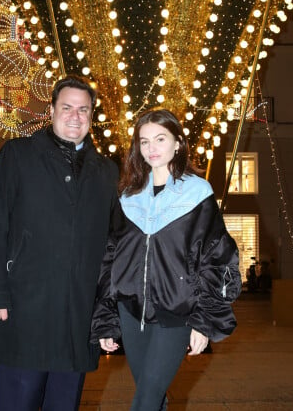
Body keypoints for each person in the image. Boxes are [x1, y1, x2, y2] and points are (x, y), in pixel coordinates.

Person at [0, 75, 119, 411]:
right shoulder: (18, 155)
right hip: (24, 313)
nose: (75, 116)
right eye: (67, 107)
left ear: (91, 116)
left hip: (77, 319)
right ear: (51, 110)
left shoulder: (107, 172)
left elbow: (113, 248)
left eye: (83, 110)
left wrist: (107, 316)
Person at [91, 108, 242, 411]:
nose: (151, 148)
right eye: (144, 141)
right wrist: (107, 320)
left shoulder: (198, 194)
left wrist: (204, 321)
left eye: (160, 139)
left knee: (145, 400)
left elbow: (217, 259)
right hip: (130, 312)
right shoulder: (127, 196)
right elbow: (110, 260)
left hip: (176, 313)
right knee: (153, 396)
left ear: (177, 143)